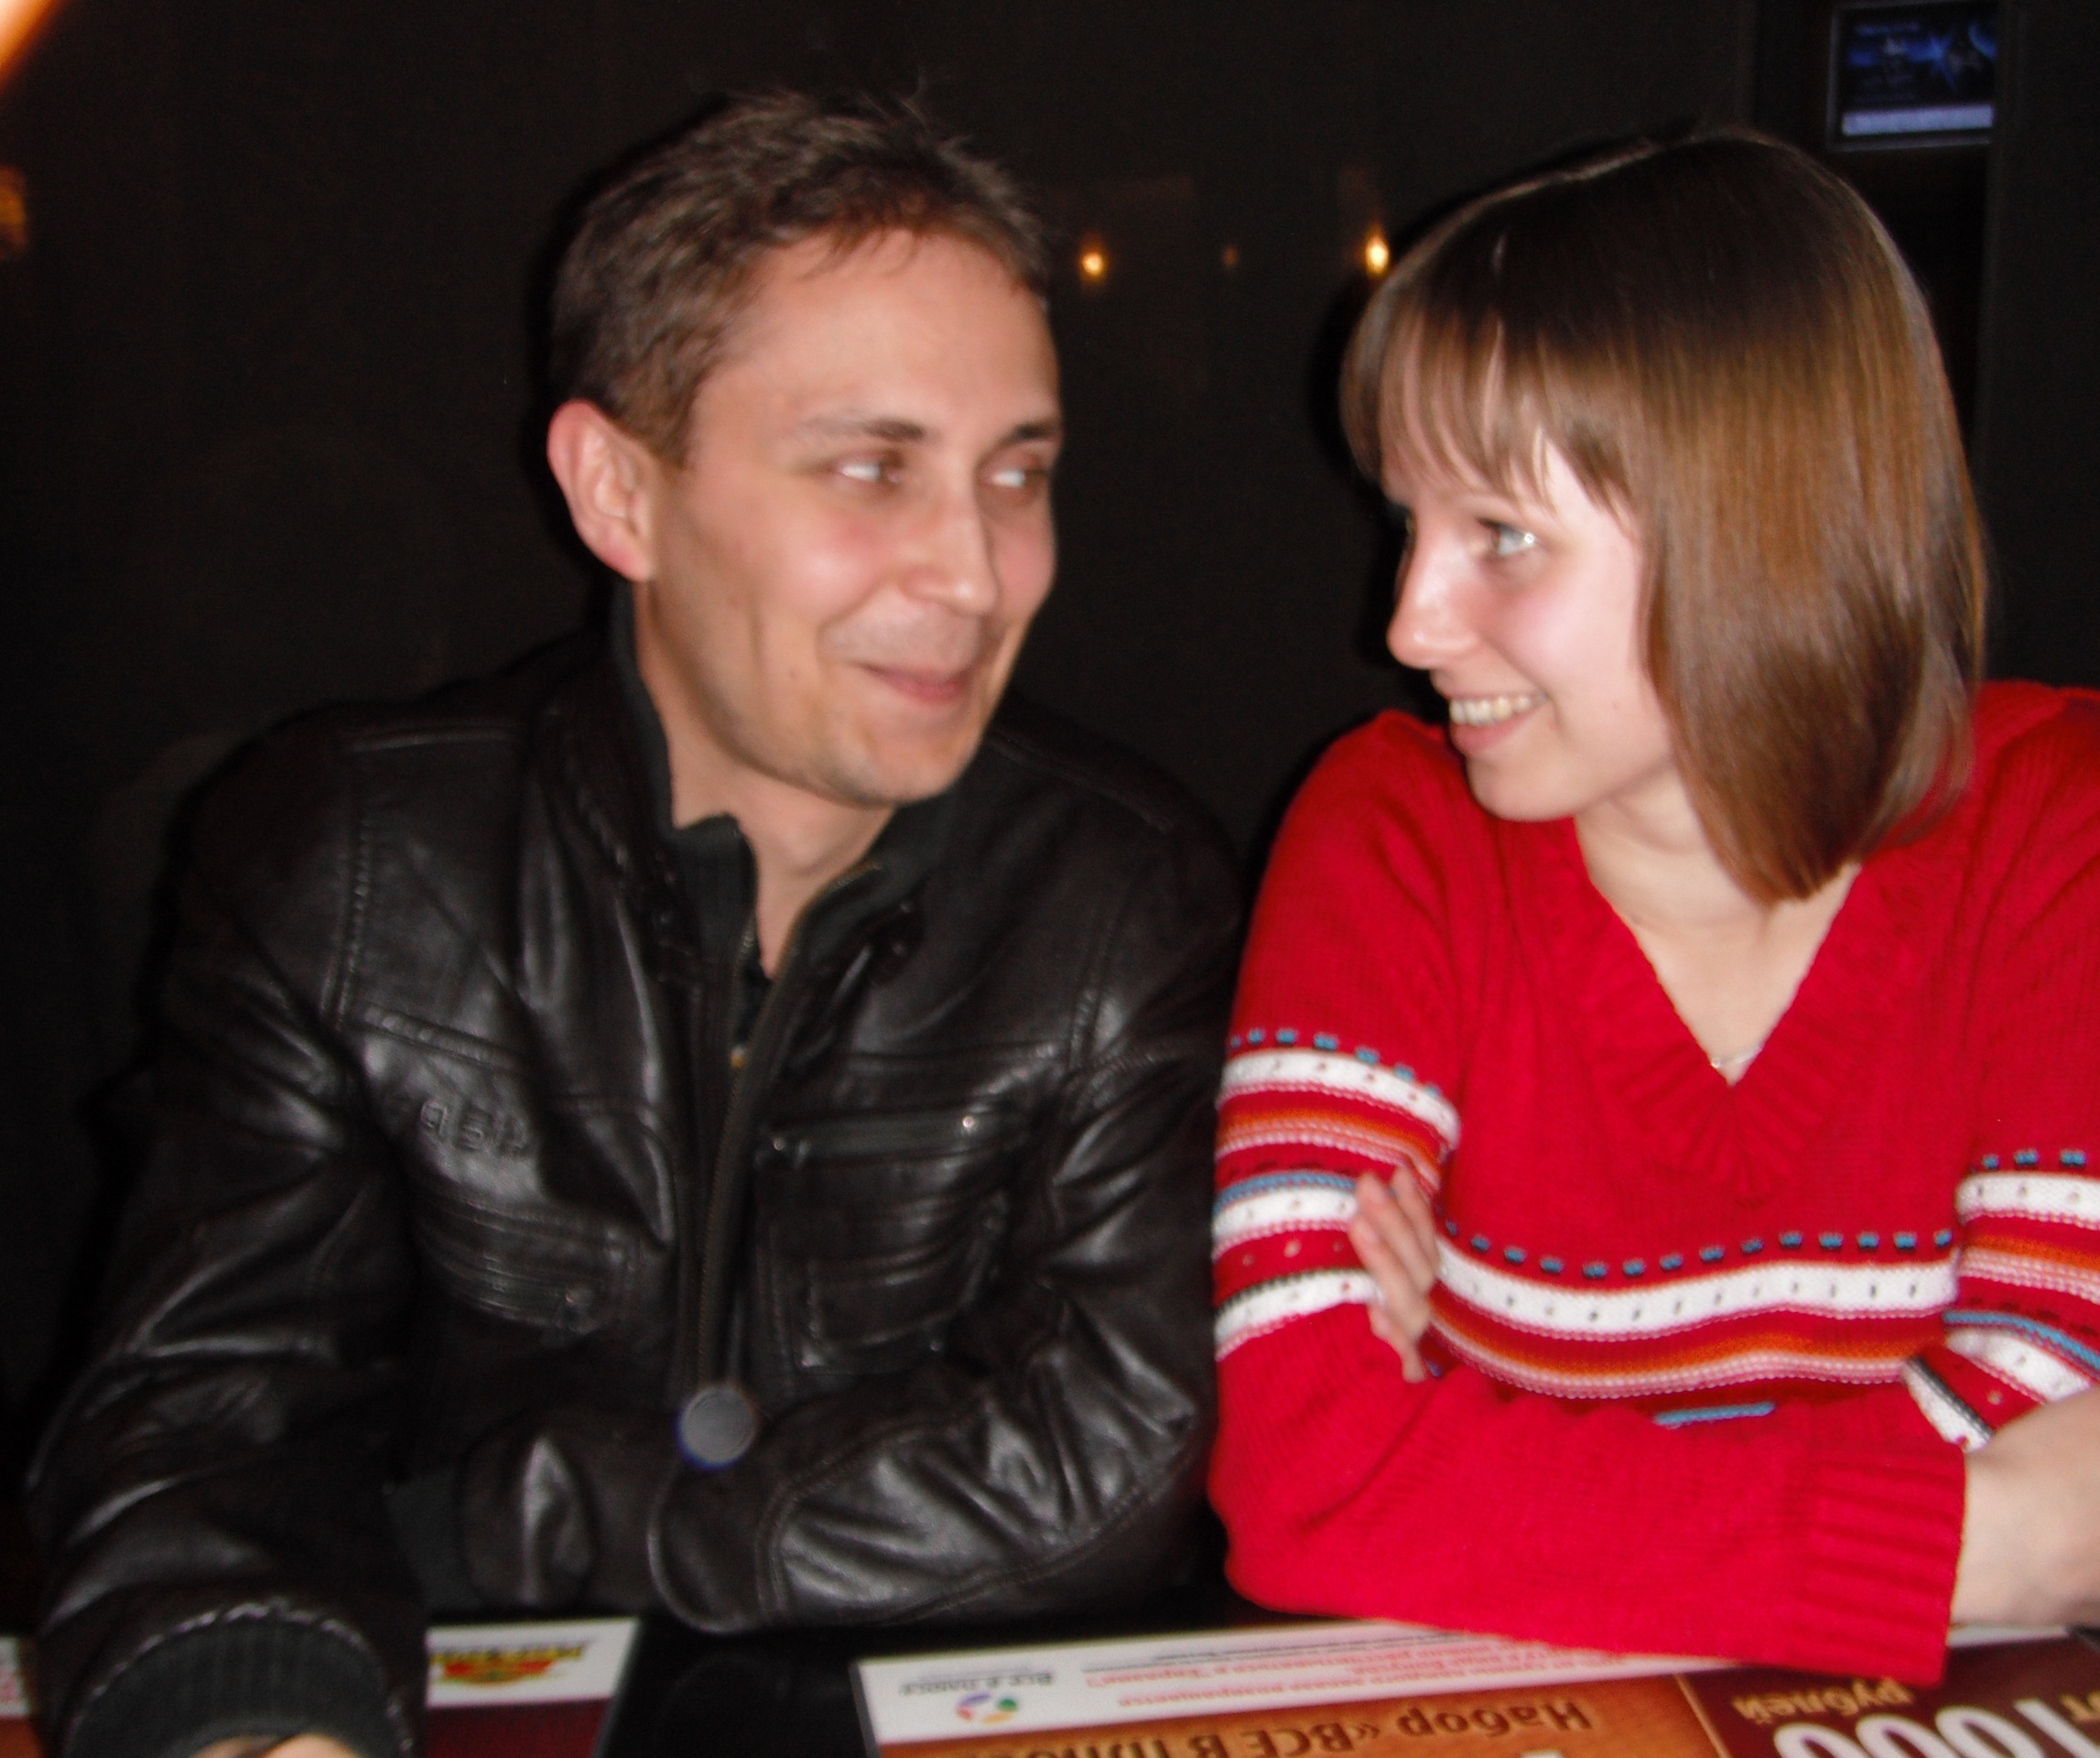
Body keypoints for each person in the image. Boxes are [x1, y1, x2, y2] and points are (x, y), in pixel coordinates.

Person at [31, 92, 1239, 1758]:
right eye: (872, 468)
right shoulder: (355, 863)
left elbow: (1108, 1470)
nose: (977, 572)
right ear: (618, 492)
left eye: (1015, 474)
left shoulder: (1118, 891)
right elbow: (200, 1426)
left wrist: (524, 1511)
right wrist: (255, 1714)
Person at [1208, 131, 2100, 1683]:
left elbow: (2095, 1461)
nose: (1409, 621)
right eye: (1411, 524)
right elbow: (1305, 1485)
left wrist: (1478, 1461)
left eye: (1501, 537)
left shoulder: (2069, 826)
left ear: (1755, 524)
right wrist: (1951, 1543)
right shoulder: (1390, 833)